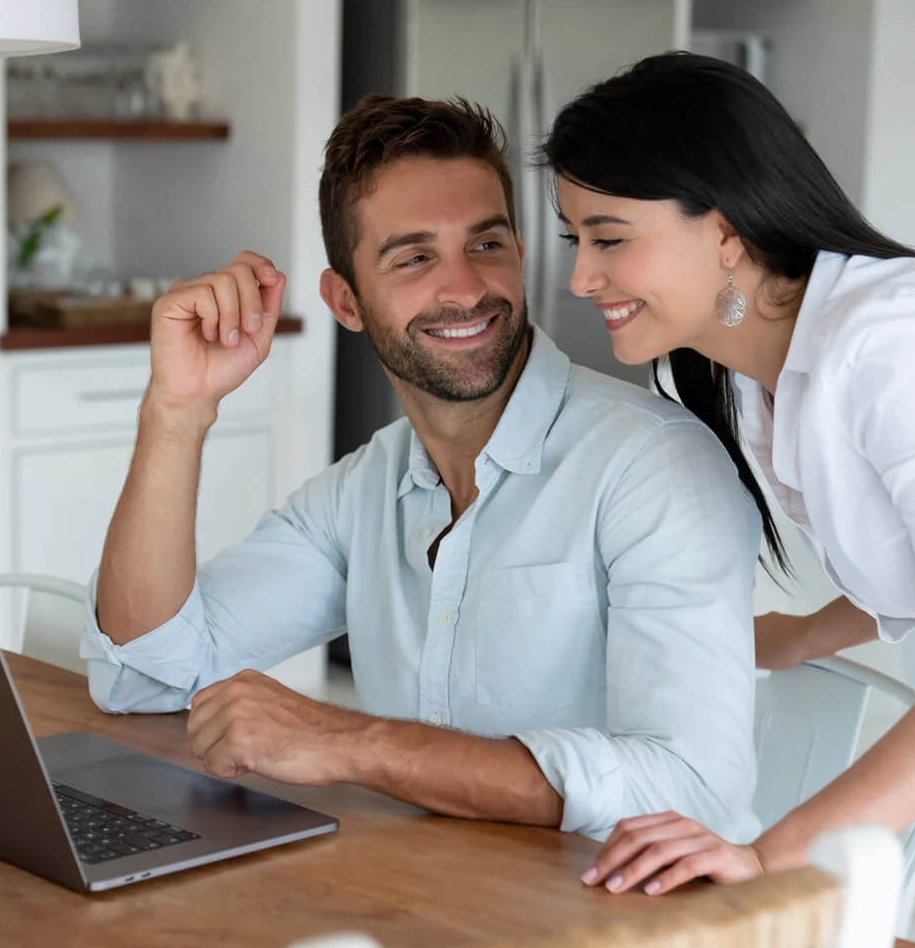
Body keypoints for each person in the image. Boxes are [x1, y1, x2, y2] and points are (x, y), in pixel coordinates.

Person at [547, 52, 915, 945]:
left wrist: (768, 854)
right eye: (573, 240)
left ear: (728, 229)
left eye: (610, 236)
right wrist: (790, 638)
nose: (584, 278)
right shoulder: (750, 376)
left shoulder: (901, 346)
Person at [78, 94, 763, 843]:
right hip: (433, 897)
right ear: (346, 300)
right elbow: (145, 675)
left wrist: (349, 742)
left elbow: (691, 790)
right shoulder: (365, 490)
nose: (466, 288)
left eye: (486, 244)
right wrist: (177, 409)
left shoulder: (650, 465)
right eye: (413, 258)